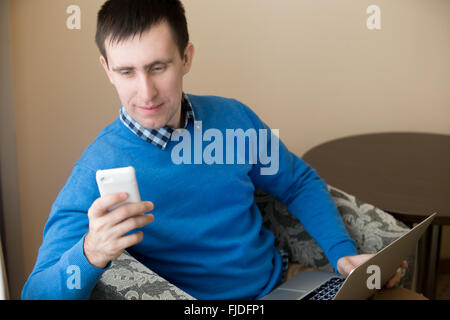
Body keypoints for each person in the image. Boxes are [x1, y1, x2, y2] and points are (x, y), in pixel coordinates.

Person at [22, 0, 406, 300]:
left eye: (158, 67)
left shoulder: (232, 118)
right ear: (107, 69)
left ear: (186, 58)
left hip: (286, 285)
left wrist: (341, 254)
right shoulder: (97, 168)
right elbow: (35, 292)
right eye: (126, 72)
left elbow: (297, 183)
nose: (146, 92)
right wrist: (90, 251)